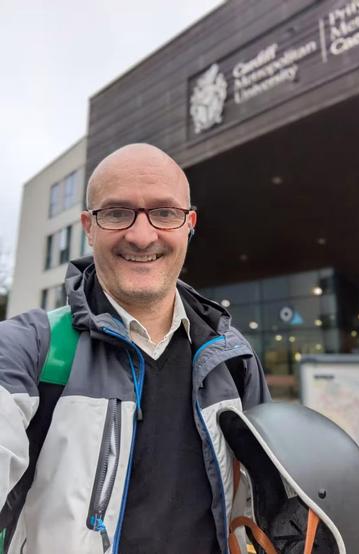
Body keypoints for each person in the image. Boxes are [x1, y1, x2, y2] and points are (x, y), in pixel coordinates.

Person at [0, 144, 270, 554]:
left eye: (164, 213)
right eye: (116, 212)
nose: (142, 236)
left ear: (189, 224)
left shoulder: (233, 359)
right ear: (89, 227)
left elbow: (270, 500)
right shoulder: (28, 347)